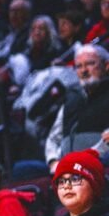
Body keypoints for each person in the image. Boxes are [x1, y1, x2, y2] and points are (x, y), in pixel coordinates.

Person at [45, 44, 109, 172]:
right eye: (79, 66)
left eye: (90, 64)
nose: (84, 70)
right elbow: (53, 138)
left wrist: (86, 158)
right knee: (22, 169)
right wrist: (53, 160)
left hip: (100, 165)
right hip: (69, 168)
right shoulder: (71, 97)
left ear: (106, 65)